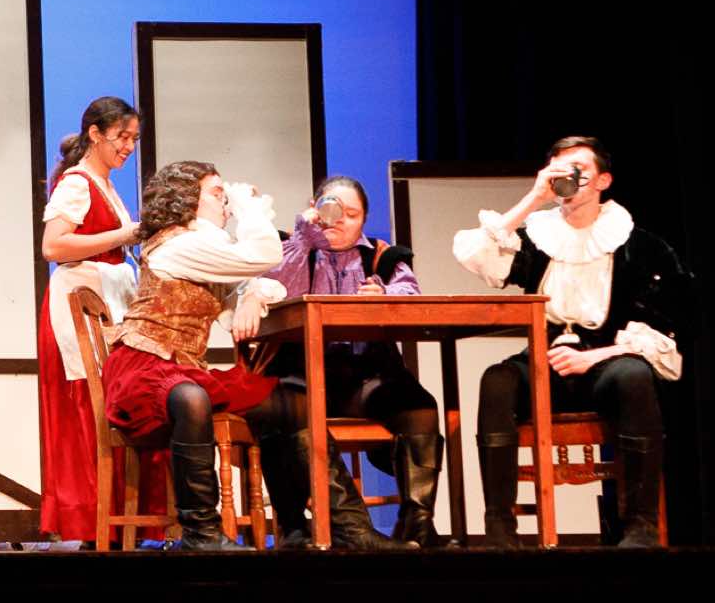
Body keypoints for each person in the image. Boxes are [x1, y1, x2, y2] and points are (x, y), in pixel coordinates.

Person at [453, 136, 687, 548]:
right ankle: (500, 530)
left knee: (634, 376)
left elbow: (669, 326)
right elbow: (475, 253)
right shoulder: (539, 236)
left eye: (579, 170)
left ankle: (641, 525)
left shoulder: (640, 246)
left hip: (608, 359)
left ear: (603, 181)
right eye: (560, 169)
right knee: (497, 380)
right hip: (544, 360)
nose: (569, 177)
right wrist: (534, 196)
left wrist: (595, 356)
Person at [99, 160, 296, 550]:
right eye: (217, 193)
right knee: (191, 398)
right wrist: (248, 207)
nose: (225, 201)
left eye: (226, 194)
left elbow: (248, 288)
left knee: (288, 403)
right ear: (186, 200)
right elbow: (262, 254)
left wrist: (254, 294)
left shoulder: (206, 249)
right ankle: (201, 532)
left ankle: (316, 526)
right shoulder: (179, 244)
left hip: (183, 370)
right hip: (142, 367)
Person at [259, 175, 443, 548]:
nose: (340, 220)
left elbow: (411, 296)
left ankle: (417, 525)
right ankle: (320, 527)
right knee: (286, 409)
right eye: (332, 210)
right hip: (300, 375)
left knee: (420, 408)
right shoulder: (285, 247)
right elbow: (274, 290)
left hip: (364, 377)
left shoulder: (382, 256)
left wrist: (385, 294)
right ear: (314, 209)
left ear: (364, 220)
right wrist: (305, 238)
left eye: (352, 214)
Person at [36, 97, 145, 543]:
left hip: (106, 298)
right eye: (121, 137)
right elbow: (53, 247)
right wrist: (125, 233)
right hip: (78, 308)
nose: (128, 147)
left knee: (111, 405)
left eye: (134, 139)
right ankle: (91, 519)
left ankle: (115, 518)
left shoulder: (104, 184)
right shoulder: (78, 183)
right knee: (87, 408)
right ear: (95, 134)